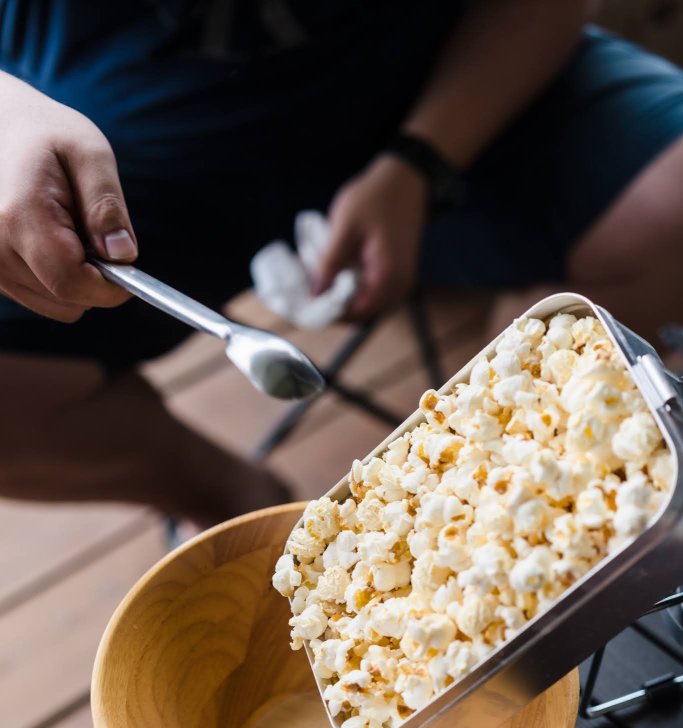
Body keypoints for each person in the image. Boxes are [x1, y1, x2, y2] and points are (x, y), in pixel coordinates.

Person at [0, 0, 682, 526]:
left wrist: (419, 164)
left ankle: (504, 460)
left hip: (438, 85)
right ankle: (237, 509)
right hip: (116, 154)